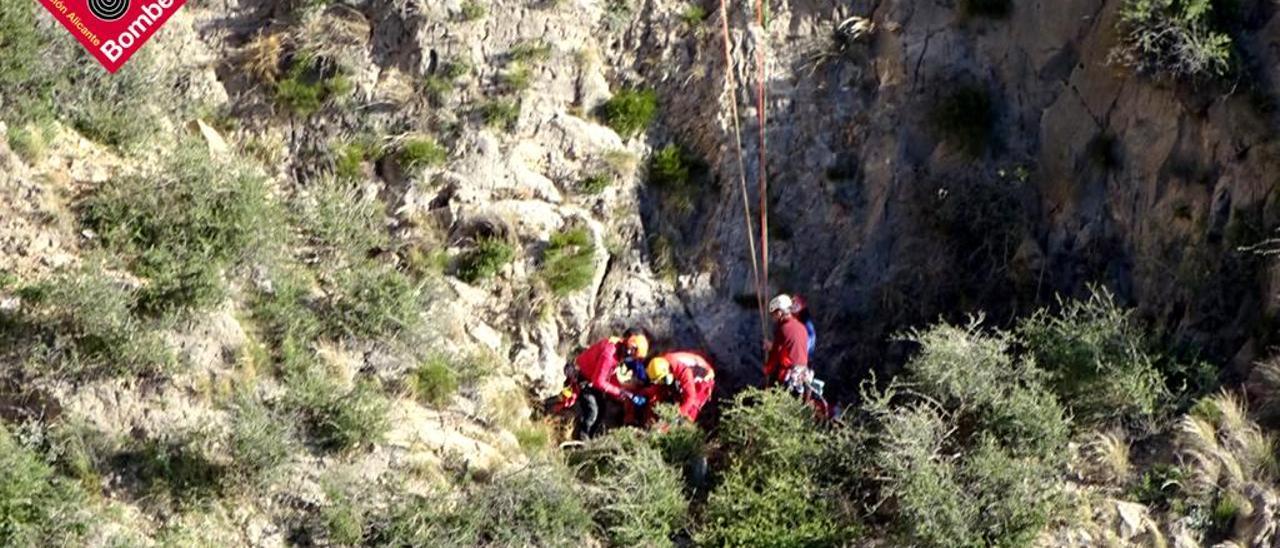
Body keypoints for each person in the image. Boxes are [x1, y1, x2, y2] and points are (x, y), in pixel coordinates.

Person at [570, 328, 651, 439]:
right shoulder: (609, 354)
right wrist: (619, 392)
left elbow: (607, 375)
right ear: (630, 350)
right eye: (633, 357)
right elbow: (598, 381)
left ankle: (589, 437)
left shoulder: (618, 349)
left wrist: (625, 392)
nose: (631, 360)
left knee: (602, 409)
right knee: (592, 411)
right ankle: (582, 439)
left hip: (590, 378)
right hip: (581, 378)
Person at [645, 351, 717, 422]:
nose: (660, 383)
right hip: (687, 374)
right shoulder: (663, 364)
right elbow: (658, 388)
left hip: (704, 377)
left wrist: (676, 415)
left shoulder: (684, 372)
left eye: (662, 380)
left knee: (692, 408)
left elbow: (690, 398)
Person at [764, 294, 810, 392]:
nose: (773, 317)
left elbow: (776, 354)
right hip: (804, 374)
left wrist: (767, 369)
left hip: (790, 375)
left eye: (774, 314)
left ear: (780, 313)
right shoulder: (802, 327)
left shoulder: (783, 329)